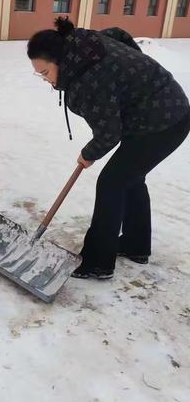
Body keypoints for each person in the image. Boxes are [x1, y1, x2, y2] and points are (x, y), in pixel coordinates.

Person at [27, 17, 190, 280]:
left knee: (112, 183)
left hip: (163, 123)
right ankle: (136, 245)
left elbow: (109, 133)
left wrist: (88, 153)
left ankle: (98, 262)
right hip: (161, 111)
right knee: (130, 179)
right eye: (39, 73)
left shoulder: (89, 80)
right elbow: (119, 34)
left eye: (45, 72)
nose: (44, 79)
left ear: (61, 60)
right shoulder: (83, 44)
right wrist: (134, 81)